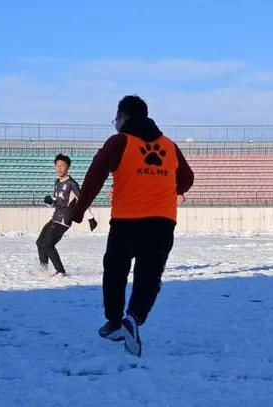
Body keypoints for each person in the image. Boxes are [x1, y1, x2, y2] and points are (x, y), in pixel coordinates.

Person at [71, 95, 194, 357]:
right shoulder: (169, 146)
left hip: (127, 220)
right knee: (149, 275)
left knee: (115, 270)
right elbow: (186, 180)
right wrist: (162, 184)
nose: (115, 123)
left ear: (124, 117)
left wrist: (79, 210)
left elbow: (96, 174)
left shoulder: (120, 141)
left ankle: (115, 321)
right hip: (162, 222)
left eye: (117, 118)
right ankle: (134, 318)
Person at [36, 154, 98, 277]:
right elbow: (56, 202)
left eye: (62, 166)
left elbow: (82, 201)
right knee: (40, 242)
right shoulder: (57, 182)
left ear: (68, 167)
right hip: (55, 217)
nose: (59, 169)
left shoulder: (72, 184)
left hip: (64, 219)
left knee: (48, 243)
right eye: (57, 166)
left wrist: (91, 218)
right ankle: (43, 269)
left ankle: (60, 271)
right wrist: (49, 202)